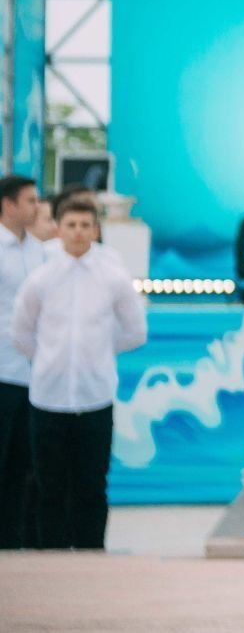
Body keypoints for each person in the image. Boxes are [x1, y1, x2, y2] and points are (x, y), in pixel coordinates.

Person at [10, 199, 147, 550]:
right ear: (58, 229)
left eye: (86, 225)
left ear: (96, 230)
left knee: (92, 486)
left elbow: (135, 331)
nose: (78, 232)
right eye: (71, 225)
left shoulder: (113, 277)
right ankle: (51, 562)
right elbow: (21, 333)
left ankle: (90, 559)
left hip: (95, 398)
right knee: (49, 487)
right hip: (47, 399)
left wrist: (98, 353)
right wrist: (49, 358)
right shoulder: (40, 279)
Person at [0, 175, 48, 548]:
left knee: (24, 462)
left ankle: (15, 538)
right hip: (2, 368)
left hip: (34, 373)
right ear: (8, 204)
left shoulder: (40, 252)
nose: (36, 206)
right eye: (30, 200)